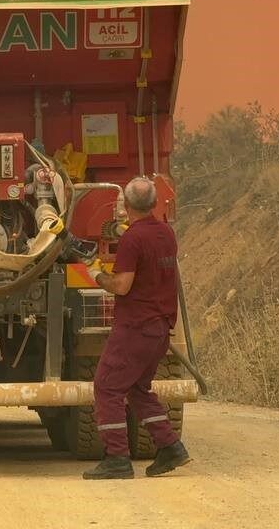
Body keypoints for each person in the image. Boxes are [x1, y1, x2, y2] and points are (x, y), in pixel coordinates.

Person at [82, 176, 192, 479]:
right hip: (159, 328)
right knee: (137, 389)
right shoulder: (166, 233)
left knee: (107, 387)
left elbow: (121, 286)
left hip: (135, 327)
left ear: (126, 205)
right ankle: (170, 447)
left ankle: (116, 457)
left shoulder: (132, 239)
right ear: (155, 203)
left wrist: (95, 274)